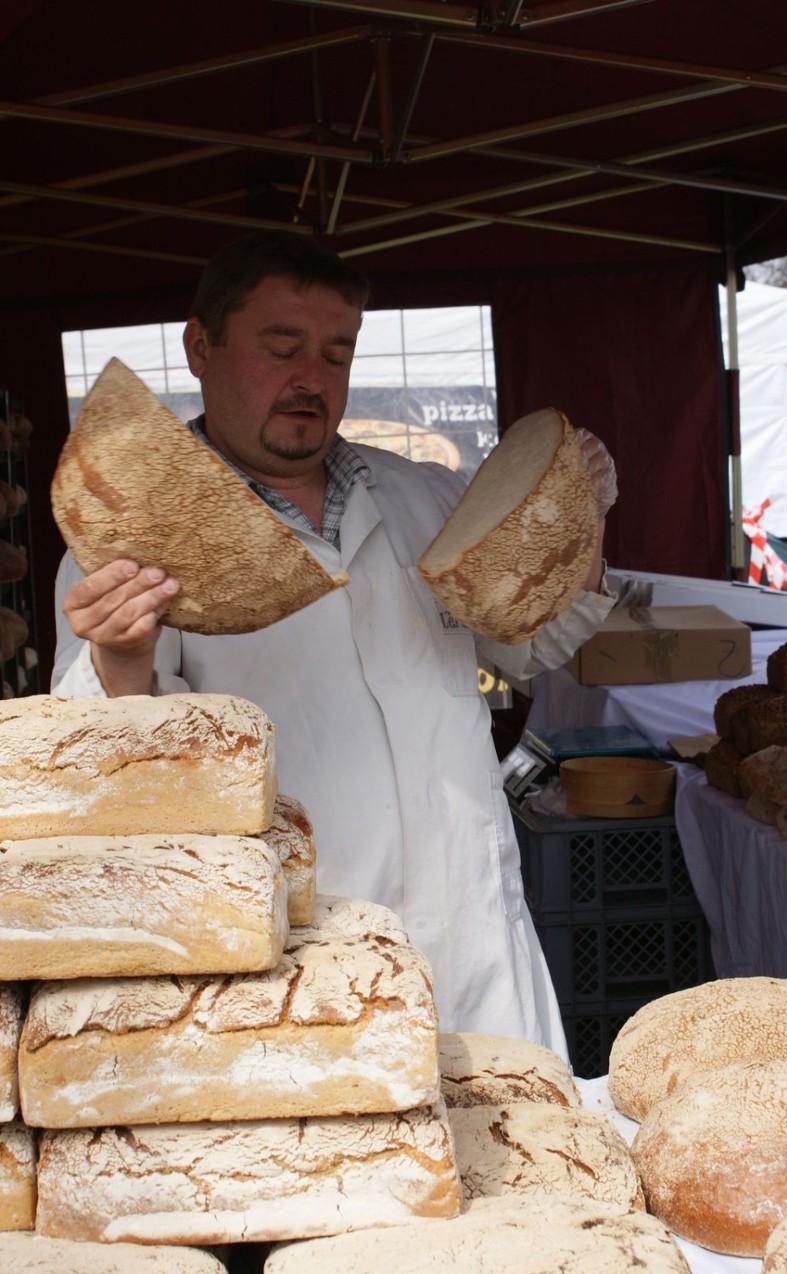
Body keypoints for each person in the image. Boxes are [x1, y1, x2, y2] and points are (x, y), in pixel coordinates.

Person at [51, 231, 618, 1063]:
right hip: (299, 967)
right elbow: (108, 777)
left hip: (475, 934)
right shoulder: (133, 537)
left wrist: (581, 528)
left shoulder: (425, 493)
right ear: (200, 347)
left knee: (523, 1161)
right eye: (281, 349)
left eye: (335, 354)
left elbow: (526, 644)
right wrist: (123, 660)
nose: (311, 380)